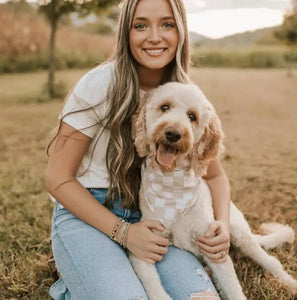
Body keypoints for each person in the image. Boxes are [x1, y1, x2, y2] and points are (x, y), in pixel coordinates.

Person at [46, 0, 231, 299]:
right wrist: (125, 234)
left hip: (154, 220)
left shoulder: (184, 95)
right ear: (126, 33)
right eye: (141, 25)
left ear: (181, 31)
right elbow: (57, 179)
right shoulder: (99, 84)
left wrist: (222, 224)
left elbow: (214, 177)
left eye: (167, 24)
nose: (154, 36)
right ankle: (82, 274)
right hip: (89, 213)